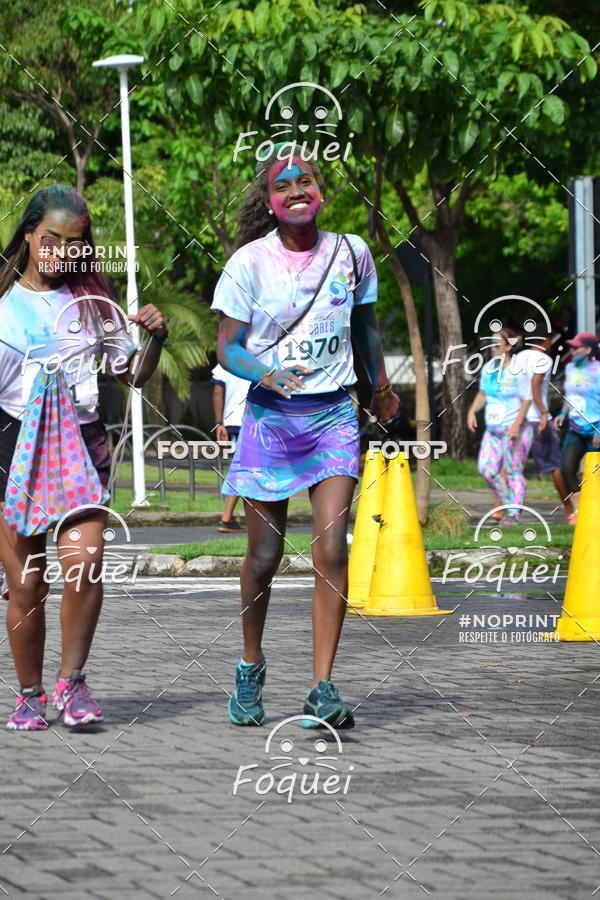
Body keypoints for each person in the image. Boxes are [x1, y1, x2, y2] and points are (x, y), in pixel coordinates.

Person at [211, 150, 398, 728]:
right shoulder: (248, 264)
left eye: (306, 181)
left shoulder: (352, 253)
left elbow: (365, 327)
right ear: (269, 200)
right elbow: (228, 348)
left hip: (333, 418)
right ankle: (249, 664)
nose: (295, 190)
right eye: (281, 185)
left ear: (322, 191)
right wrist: (261, 373)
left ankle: (322, 686)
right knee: (264, 558)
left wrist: (380, 385)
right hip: (270, 420)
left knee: (331, 550)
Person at [0, 185, 167, 730]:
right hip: (15, 447)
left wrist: (155, 340)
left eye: (74, 243)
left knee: (86, 562)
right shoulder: (2, 305)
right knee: (27, 583)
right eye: (51, 239)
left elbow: (131, 375)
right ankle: (29, 694)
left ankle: (73, 684)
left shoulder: (94, 304)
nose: (61, 252)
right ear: (28, 235)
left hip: (80, 443)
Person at [467, 329, 532, 524]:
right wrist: (472, 411)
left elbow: (527, 400)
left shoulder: (518, 370)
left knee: (513, 471)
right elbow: (483, 394)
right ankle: (508, 504)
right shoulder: (488, 368)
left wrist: (517, 424)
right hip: (493, 430)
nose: (492, 348)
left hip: (515, 430)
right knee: (486, 469)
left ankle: (514, 513)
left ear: (509, 346)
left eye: (496, 344)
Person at [514, 335, 575, 523]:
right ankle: (569, 509)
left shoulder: (519, 357)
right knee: (554, 465)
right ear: (545, 340)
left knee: (514, 467)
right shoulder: (545, 359)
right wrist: (542, 411)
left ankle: (510, 512)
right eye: (550, 341)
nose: (552, 345)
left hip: (517, 418)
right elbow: (535, 383)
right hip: (536, 419)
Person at [554, 332, 600, 523]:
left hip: (595, 426)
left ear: (588, 350)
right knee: (566, 468)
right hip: (575, 427)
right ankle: (580, 510)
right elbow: (570, 396)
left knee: (596, 473)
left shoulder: (597, 370)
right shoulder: (571, 368)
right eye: (571, 347)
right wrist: (562, 414)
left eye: (576, 347)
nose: (572, 351)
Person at [211, 362, 249, 532]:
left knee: (245, 467)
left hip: (232, 422)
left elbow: (218, 391)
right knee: (243, 468)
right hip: (254, 420)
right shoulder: (264, 352)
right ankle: (226, 518)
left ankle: (230, 517)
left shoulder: (228, 358)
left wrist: (219, 423)